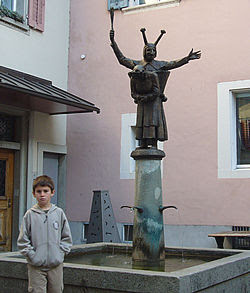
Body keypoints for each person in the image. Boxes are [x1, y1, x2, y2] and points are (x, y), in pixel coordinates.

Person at [110, 28, 201, 148]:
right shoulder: (137, 65)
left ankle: (153, 143)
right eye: (148, 50)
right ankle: (142, 143)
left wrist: (186, 59)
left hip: (155, 100)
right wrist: (113, 42)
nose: (151, 52)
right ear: (144, 51)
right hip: (142, 99)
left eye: (153, 50)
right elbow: (122, 60)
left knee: (153, 121)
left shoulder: (159, 64)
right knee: (142, 120)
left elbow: (173, 63)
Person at [17, 175, 72, 293]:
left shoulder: (59, 213)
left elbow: (66, 237)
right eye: (39, 191)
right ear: (34, 194)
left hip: (55, 265)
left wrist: (59, 254)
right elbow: (23, 241)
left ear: (52, 192)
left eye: (45, 191)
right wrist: (33, 256)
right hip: (36, 267)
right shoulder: (30, 215)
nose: (42, 194)